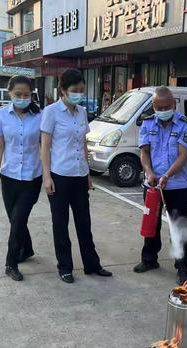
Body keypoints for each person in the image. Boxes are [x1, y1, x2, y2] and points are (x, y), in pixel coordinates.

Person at [40, 69, 112, 283]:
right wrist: (47, 177)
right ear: (63, 90)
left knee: (84, 222)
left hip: (80, 176)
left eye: (81, 90)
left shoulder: (81, 112)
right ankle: (65, 267)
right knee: (60, 224)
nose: (79, 94)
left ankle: (92, 264)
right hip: (59, 175)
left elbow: (83, 143)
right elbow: (45, 147)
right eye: (74, 90)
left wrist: (88, 173)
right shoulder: (51, 112)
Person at [133, 86, 187, 285]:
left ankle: (182, 266)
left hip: (176, 184)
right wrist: (150, 173)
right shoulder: (147, 123)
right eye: (159, 107)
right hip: (152, 184)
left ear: (174, 104)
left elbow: (183, 155)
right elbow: (144, 152)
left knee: (178, 226)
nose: (163, 110)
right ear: (153, 106)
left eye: (167, 106)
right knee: (151, 223)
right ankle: (149, 259)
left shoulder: (184, 125)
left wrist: (167, 175)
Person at [0, 75, 42, 281]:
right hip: (9, 176)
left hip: (32, 177)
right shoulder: (1, 115)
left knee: (18, 219)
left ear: (32, 95)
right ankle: (26, 248)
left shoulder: (40, 116)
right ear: (10, 94)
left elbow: (45, 146)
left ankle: (10, 263)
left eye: (26, 95)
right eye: (18, 94)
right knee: (15, 219)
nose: (22, 98)